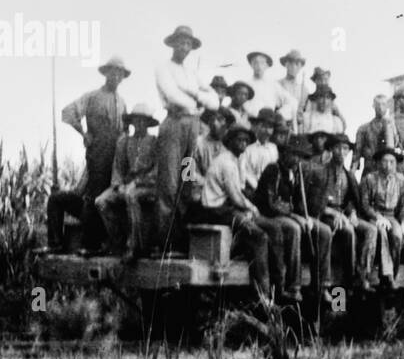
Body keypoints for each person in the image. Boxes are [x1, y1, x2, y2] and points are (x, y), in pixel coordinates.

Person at [155, 26, 220, 250]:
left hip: (192, 129)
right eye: (180, 42)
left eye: (188, 44)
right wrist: (197, 102)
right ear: (173, 44)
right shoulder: (164, 68)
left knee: (186, 181)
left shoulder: (192, 74)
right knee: (169, 185)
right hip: (174, 126)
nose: (184, 47)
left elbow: (215, 102)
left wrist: (194, 93)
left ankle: (181, 241)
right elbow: (173, 96)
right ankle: (165, 243)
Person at [190, 124, 273, 301]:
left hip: (224, 208)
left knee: (257, 227)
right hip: (216, 210)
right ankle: (263, 295)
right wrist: (251, 207)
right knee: (259, 236)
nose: (243, 144)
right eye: (239, 140)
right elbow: (235, 196)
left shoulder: (233, 161)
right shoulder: (226, 162)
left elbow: (238, 192)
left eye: (245, 141)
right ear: (230, 142)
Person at [59, 54, 129, 250]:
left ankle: (109, 242)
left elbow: (126, 132)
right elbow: (68, 112)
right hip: (97, 152)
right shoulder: (91, 97)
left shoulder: (122, 102)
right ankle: (90, 244)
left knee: (110, 197)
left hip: (115, 156)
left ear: (123, 77)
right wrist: (84, 133)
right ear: (106, 73)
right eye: (113, 72)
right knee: (93, 194)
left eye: (120, 74)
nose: (116, 76)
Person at [256, 132, 330, 303]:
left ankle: (321, 285)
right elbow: (271, 203)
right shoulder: (273, 169)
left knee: (324, 231)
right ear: (285, 153)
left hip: (289, 215)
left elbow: (298, 203)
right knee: (294, 228)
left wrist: (307, 217)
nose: (297, 159)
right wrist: (295, 216)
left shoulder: (296, 174)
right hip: (268, 216)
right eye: (294, 154)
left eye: (300, 156)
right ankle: (293, 286)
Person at [301, 134, 376, 291]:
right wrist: (334, 214)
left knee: (370, 229)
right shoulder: (320, 172)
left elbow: (349, 200)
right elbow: (314, 204)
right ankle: (346, 284)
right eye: (337, 148)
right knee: (348, 232)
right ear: (330, 150)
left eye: (345, 149)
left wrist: (353, 212)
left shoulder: (348, 175)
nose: (341, 152)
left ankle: (361, 275)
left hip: (344, 215)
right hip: (325, 216)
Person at [95, 103, 159, 260]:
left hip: (148, 186)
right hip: (127, 184)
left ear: (148, 123)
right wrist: (119, 185)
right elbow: (118, 167)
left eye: (143, 121)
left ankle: (134, 246)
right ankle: (117, 242)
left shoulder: (154, 142)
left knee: (131, 196)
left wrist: (137, 182)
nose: (139, 124)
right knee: (101, 201)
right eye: (136, 120)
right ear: (132, 122)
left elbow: (157, 171)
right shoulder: (124, 142)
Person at [358, 146, 404, 291]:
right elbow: (365, 205)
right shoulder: (370, 179)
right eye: (385, 162)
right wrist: (378, 216)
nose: (388, 166)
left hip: (391, 216)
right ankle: (388, 276)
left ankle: (393, 273)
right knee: (381, 232)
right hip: (375, 215)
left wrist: (403, 226)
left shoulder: (400, 180)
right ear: (378, 163)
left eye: (392, 162)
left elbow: (403, 206)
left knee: (398, 235)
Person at [240, 108, 281, 198]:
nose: (267, 131)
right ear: (256, 126)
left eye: (270, 127)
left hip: (270, 193)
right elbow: (244, 175)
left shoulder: (273, 148)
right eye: (264, 126)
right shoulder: (247, 149)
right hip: (253, 192)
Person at [245, 50, 297, 118]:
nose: (258, 66)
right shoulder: (247, 85)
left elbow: (292, 102)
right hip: (252, 122)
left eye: (262, 62)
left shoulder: (273, 85)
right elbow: (243, 106)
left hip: (269, 123)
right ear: (251, 65)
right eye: (255, 62)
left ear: (267, 66)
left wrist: (279, 114)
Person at [353, 94, 397, 173]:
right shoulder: (364, 129)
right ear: (373, 106)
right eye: (378, 104)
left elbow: (396, 148)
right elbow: (356, 154)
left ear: (388, 106)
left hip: (387, 170)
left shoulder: (392, 126)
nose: (380, 108)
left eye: (383, 104)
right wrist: (352, 174)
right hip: (370, 169)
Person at [277, 49, 313, 129]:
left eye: (297, 64)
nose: (293, 67)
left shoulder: (304, 89)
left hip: (297, 126)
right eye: (290, 63)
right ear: (286, 64)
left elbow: (307, 111)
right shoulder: (278, 85)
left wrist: (301, 117)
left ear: (300, 67)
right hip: (281, 124)